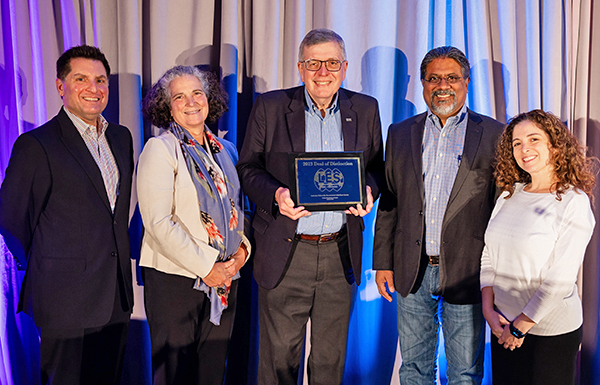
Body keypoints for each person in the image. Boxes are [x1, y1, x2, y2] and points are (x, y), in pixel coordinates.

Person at [237, 28, 384, 385]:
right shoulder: (271, 107)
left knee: (329, 361)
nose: (323, 72)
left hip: (339, 252)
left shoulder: (364, 108)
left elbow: (377, 167)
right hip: (288, 251)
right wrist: (277, 196)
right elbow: (248, 168)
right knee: (278, 361)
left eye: (331, 63)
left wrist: (369, 189)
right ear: (300, 68)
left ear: (345, 67)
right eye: (314, 63)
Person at [0, 45, 134, 384]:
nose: (94, 88)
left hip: (115, 292)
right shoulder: (36, 144)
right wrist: (51, 262)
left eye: (100, 80)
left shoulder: (121, 137)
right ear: (61, 86)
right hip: (65, 296)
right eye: (81, 79)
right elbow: (11, 217)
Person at [373, 46, 504, 384]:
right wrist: (382, 262)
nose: (442, 85)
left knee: (464, 371)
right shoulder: (400, 133)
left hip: (467, 270)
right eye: (433, 78)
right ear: (422, 84)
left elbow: (501, 207)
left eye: (451, 78)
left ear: (467, 82)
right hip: (411, 268)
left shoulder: (494, 134)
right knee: (414, 368)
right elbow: (390, 201)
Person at [137, 65, 251, 385]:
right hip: (176, 281)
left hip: (226, 278)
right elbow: (158, 222)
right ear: (167, 106)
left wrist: (241, 253)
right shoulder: (160, 149)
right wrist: (207, 267)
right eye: (179, 96)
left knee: (212, 373)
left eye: (197, 93)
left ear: (209, 98)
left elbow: (240, 210)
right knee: (175, 375)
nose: (191, 102)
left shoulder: (226, 150)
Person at [480, 110, 595, 385]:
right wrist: (489, 311)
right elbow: (489, 254)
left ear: (555, 145)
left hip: (550, 334)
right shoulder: (510, 194)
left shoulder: (573, 201)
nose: (524, 149)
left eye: (534, 139)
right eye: (517, 143)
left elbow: (560, 279)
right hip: (502, 326)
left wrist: (520, 328)